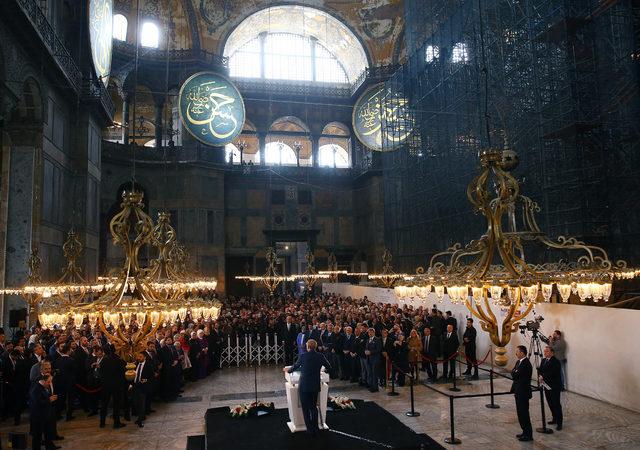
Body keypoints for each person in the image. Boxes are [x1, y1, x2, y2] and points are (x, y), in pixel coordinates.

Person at [284, 339, 331, 435]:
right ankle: (316, 428)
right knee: (313, 407)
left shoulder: (303, 356)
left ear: (308, 347)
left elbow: (295, 366)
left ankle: (309, 429)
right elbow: (329, 367)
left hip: (304, 386)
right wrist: (322, 370)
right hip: (315, 385)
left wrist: (287, 370)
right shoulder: (320, 356)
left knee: (305, 408)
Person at [29, 372, 59, 450]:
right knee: (37, 436)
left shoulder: (44, 387)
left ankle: (50, 447)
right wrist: (49, 399)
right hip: (38, 416)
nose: (49, 384)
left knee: (48, 433)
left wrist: (51, 398)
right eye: (48, 382)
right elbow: (37, 402)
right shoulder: (36, 388)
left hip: (46, 414)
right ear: (43, 381)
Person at [98, 348, 126, 429]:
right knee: (116, 405)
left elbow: (101, 373)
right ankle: (116, 423)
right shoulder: (119, 360)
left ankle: (102, 422)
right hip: (116, 386)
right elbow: (122, 373)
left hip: (106, 386)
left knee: (104, 404)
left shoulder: (104, 360)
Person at [538, 346, 563, 430]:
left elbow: (553, 372)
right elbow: (540, 370)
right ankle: (554, 418)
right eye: (544, 351)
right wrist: (540, 376)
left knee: (556, 404)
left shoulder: (556, 361)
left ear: (552, 353)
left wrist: (543, 376)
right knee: (550, 403)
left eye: (547, 351)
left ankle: (559, 423)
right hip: (546, 385)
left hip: (554, 386)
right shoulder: (544, 360)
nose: (545, 353)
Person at [511, 345, 533, 442]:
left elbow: (516, 374)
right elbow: (513, 373)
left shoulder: (526, 363)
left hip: (523, 392)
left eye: (517, 351)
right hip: (518, 391)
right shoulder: (518, 362)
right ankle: (524, 431)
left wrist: (515, 372)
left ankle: (528, 435)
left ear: (522, 353)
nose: (516, 353)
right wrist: (515, 372)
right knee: (520, 413)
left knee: (524, 413)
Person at [132, 351, 154, 428]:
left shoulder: (148, 366)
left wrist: (146, 380)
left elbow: (152, 377)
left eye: (140, 357)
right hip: (135, 386)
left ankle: (140, 420)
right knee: (136, 403)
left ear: (145, 357)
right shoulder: (135, 364)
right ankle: (142, 416)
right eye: (138, 356)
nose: (139, 358)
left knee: (141, 404)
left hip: (143, 387)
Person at [364, 328, 381, 392]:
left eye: (371, 332)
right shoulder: (368, 340)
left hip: (375, 360)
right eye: (369, 333)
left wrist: (371, 352)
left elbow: (379, 349)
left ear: (374, 333)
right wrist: (365, 351)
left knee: (374, 374)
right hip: (369, 359)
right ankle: (371, 386)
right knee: (370, 373)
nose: (370, 334)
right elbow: (366, 347)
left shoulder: (377, 340)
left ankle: (375, 387)